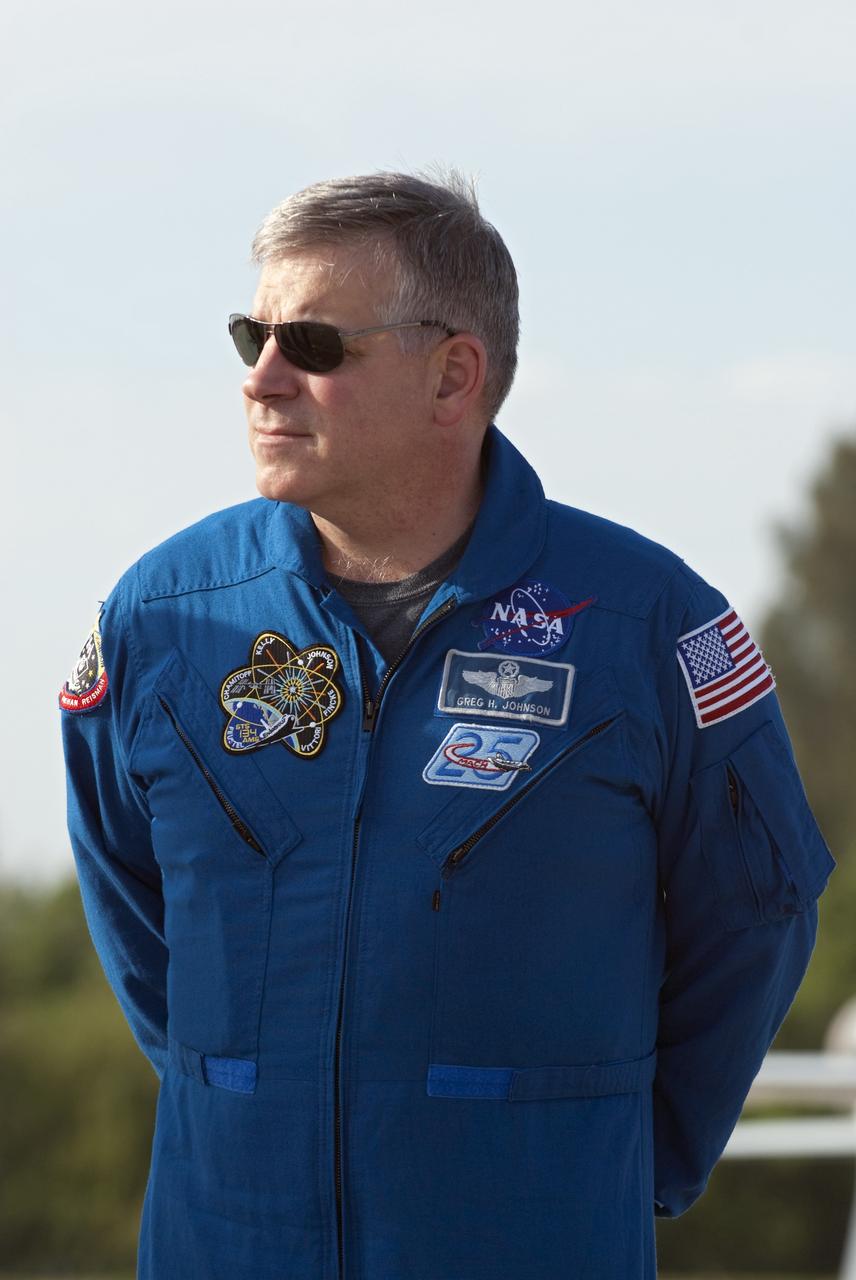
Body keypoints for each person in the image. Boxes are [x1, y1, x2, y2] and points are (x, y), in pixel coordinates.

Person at [59, 170, 835, 1280]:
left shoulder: (648, 624)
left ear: (453, 375)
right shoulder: (159, 620)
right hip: (225, 1241)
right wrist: (248, 1094)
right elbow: (135, 920)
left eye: (314, 344)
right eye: (250, 336)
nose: (261, 379)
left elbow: (755, 913)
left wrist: (615, 1153)